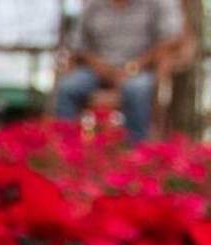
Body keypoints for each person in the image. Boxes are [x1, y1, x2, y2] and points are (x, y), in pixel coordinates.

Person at [55, 0, 186, 142]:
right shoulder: (92, 4)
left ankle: (136, 148)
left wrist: (135, 66)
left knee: (136, 90)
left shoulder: (159, 3)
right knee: (68, 87)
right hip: (96, 69)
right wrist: (102, 68)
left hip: (142, 70)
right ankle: (65, 146)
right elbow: (77, 45)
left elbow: (172, 39)